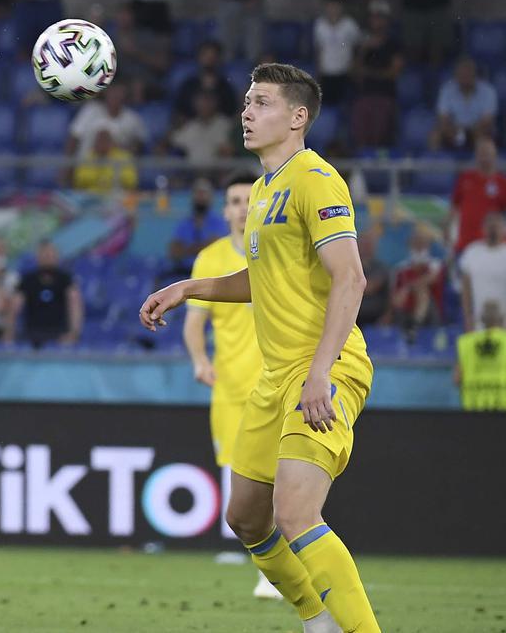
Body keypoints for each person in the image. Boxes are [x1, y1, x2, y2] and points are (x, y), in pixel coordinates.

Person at [140, 63, 380, 633]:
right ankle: (318, 621)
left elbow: (351, 279)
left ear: (298, 118)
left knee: (296, 514)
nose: (246, 111)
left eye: (262, 102)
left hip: (326, 366)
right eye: (246, 102)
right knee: (246, 519)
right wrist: (189, 287)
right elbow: (263, 277)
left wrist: (321, 372)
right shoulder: (266, 190)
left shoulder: (315, 180)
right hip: (277, 376)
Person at [183, 171, 282, 601]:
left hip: (279, 382)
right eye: (235, 200)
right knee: (236, 470)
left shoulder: (277, 251)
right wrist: (200, 361)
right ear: (224, 210)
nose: (242, 207)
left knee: (282, 473)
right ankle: (249, 551)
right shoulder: (210, 259)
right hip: (231, 387)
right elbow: (194, 321)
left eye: (248, 199)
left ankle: (277, 564)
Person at [349, 0, 403, 149]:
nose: (377, 21)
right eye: (374, 17)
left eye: (380, 17)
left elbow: (394, 72)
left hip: (385, 96)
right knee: (359, 130)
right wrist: (364, 50)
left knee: (380, 132)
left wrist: (370, 73)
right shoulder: (361, 43)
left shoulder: (394, 43)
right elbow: (354, 72)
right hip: (363, 95)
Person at [8, 241, 82, 348]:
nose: (48, 257)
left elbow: (75, 305)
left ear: (57, 256)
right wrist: (9, 333)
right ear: (37, 257)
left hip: (59, 334)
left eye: (51, 254)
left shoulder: (66, 279)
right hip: (32, 334)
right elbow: (14, 307)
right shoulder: (27, 279)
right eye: (44, 254)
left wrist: (74, 333)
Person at [448, 138, 506, 256]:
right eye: (481, 153)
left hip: (490, 246)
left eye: (488, 153)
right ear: (476, 156)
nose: (484, 157)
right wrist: (447, 229)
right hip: (465, 243)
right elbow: (454, 206)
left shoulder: (501, 183)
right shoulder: (465, 178)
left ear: (495, 155)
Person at [431, 56, 498, 151]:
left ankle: (477, 163)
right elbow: (443, 118)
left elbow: (487, 121)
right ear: (456, 75)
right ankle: (435, 163)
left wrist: (469, 131)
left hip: (477, 131)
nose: (465, 77)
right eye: (462, 74)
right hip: (453, 130)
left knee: (482, 134)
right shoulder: (446, 90)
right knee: (435, 136)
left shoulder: (488, 91)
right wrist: (455, 131)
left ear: (474, 74)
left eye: (468, 73)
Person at [168, 178, 228, 274]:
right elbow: (174, 251)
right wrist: (205, 246)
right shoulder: (184, 223)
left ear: (210, 197)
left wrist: (186, 249)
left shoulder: (219, 222)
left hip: (212, 272)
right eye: (198, 193)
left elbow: (220, 247)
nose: (200, 197)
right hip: (183, 272)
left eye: (204, 193)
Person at [455, 300, 506, 411]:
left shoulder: (466, 342)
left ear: (482, 320)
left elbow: (457, 379)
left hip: (473, 410)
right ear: (502, 319)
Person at [459, 212, 506, 331]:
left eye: (496, 227)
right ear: (483, 229)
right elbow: (466, 288)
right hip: (479, 321)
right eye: (490, 227)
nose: (493, 231)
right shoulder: (472, 252)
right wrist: (468, 317)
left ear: (503, 229)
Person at [312, 0, 360, 107]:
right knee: (327, 107)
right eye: (330, 6)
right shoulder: (319, 25)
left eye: (336, 6)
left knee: (345, 106)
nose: (333, 9)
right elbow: (319, 49)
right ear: (325, 7)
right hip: (327, 73)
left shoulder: (350, 25)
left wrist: (354, 68)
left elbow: (357, 47)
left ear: (341, 7)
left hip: (345, 72)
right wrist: (319, 72)